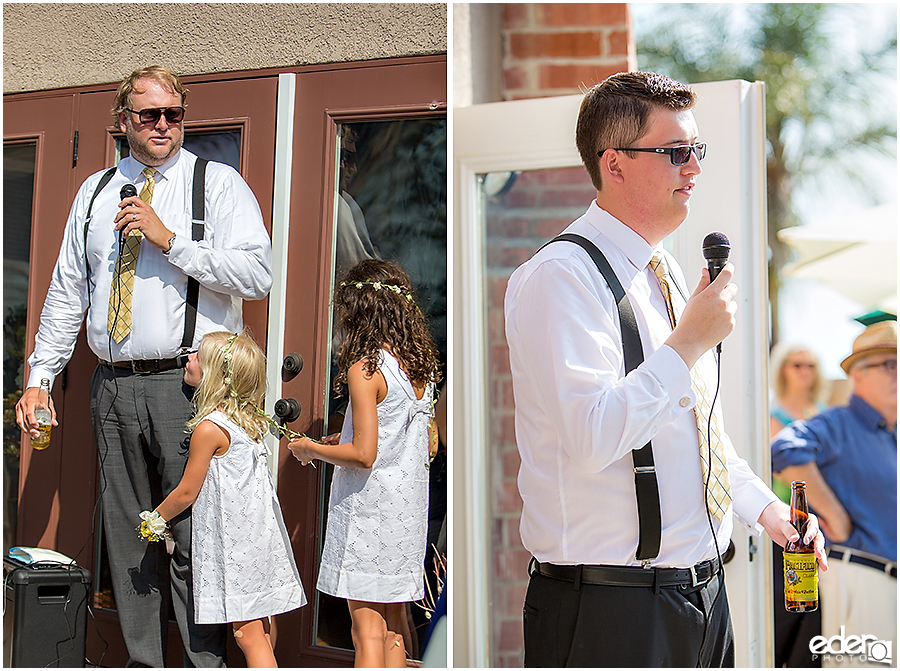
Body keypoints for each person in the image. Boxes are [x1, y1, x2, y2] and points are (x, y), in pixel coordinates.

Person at [504, 71, 827, 667]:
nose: (694, 168)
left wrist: (768, 511)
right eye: (675, 152)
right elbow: (592, 436)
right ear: (616, 163)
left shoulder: (667, 275)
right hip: (609, 613)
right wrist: (687, 344)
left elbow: (701, 435)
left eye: (696, 150)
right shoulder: (561, 277)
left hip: (701, 599)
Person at [15, 65, 272, 666]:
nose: (163, 125)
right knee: (131, 539)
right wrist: (38, 378)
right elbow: (65, 292)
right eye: (149, 114)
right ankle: (145, 663)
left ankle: (202, 662)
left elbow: (257, 276)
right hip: (113, 385)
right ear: (122, 121)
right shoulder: (97, 192)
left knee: (192, 538)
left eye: (174, 114)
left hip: (190, 388)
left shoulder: (219, 184)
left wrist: (171, 240)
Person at [288, 259, 440, 667]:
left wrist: (310, 448)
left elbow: (365, 455)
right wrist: (349, 438)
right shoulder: (418, 366)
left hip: (370, 513)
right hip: (405, 515)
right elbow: (425, 444)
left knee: (366, 630)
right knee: (392, 629)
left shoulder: (366, 367)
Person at [141, 331, 307, 667]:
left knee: (247, 634)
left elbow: (188, 491)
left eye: (198, 356)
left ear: (215, 375)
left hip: (236, 547)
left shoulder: (210, 429)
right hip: (258, 538)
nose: (188, 359)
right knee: (260, 626)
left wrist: (154, 518)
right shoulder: (247, 424)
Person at [772, 321, 897, 667]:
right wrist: (834, 515)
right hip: (859, 577)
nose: (897, 374)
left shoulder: (891, 432)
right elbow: (783, 448)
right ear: (857, 376)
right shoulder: (839, 423)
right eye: (890, 365)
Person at [768, 343, 827, 668]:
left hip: (823, 528)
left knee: (816, 618)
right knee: (787, 609)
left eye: (811, 366)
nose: (805, 372)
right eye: (797, 365)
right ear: (782, 370)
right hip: (789, 527)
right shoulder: (773, 416)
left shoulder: (823, 412)